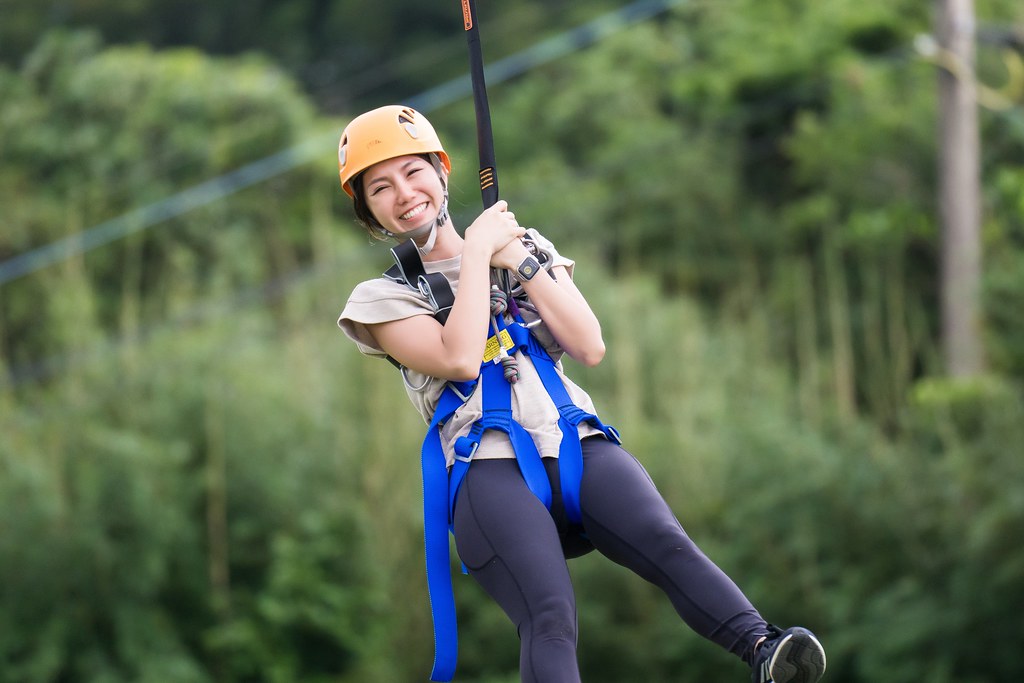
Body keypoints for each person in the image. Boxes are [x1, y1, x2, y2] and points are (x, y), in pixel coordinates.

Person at [336, 105, 826, 683]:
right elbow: (459, 357)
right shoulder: (381, 298)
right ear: (369, 212)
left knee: (668, 544)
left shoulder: (522, 246)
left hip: (573, 436)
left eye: (413, 172)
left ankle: (764, 652)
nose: (404, 193)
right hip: (483, 466)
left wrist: (516, 255)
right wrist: (475, 254)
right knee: (550, 615)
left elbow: (589, 344)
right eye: (380, 187)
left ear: (443, 172)